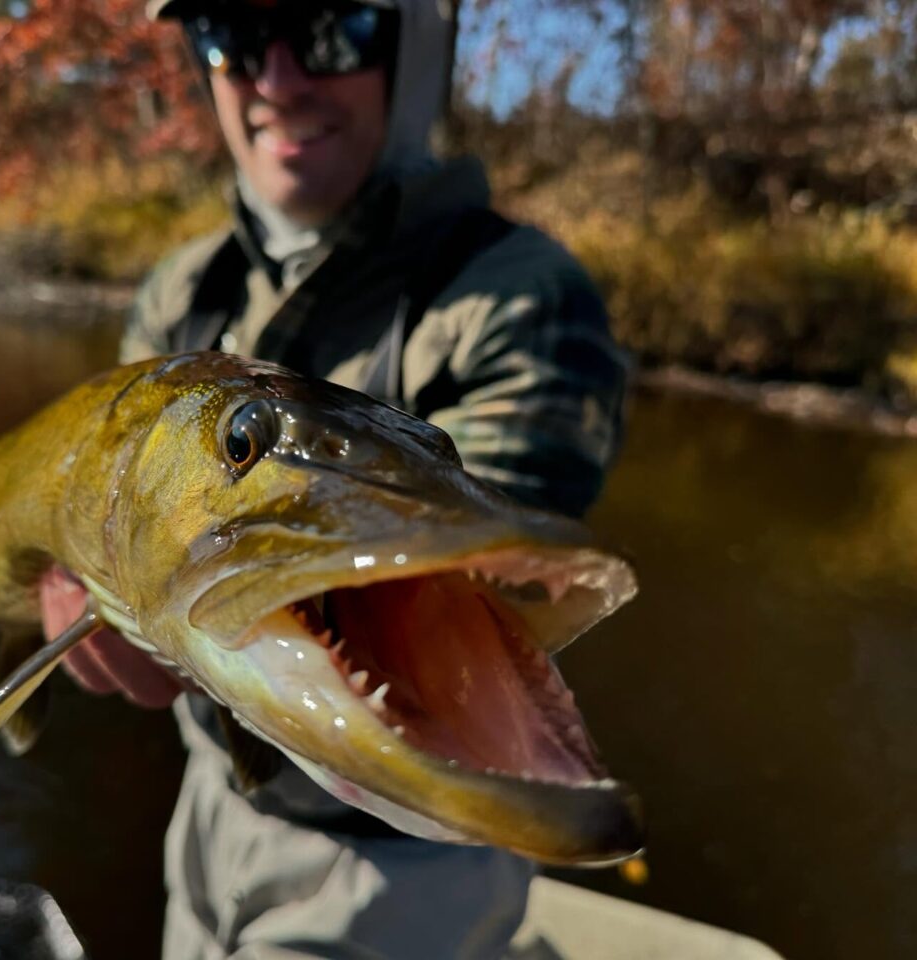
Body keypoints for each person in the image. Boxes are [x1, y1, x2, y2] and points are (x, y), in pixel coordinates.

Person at [40, 0, 629, 956]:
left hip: (404, 859)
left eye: (329, 31)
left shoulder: (518, 296)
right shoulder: (181, 291)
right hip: (206, 804)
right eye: (229, 35)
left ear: (414, 48)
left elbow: (480, 576)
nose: (277, 82)